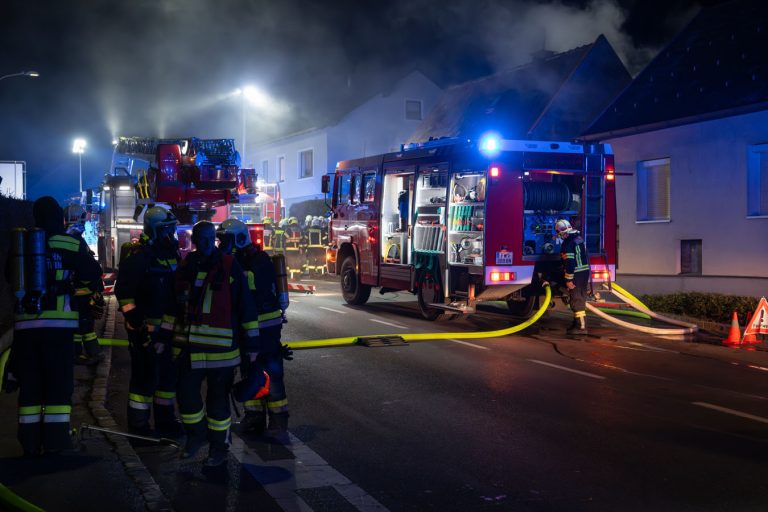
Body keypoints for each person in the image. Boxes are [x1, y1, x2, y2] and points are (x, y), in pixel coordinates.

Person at [7, 196, 102, 456]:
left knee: (31, 387)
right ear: (59, 218)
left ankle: (29, 442)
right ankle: (56, 443)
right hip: (58, 328)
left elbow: (9, 276)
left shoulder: (23, 244)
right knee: (58, 385)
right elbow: (93, 273)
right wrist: (70, 285)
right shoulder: (70, 243)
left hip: (26, 329)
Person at [173, 221, 260, 466]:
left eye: (209, 238)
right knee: (187, 398)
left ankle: (218, 448)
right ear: (194, 241)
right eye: (200, 239)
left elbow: (246, 308)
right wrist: (166, 341)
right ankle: (196, 436)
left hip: (222, 353)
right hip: (192, 350)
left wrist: (252, 349)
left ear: (215, 239)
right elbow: (176, 306)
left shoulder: (231, 267)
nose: (205, 243)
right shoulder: (187, 266)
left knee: (217, 404)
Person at [216, 219, 292, 442]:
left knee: (272, 373)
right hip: (246, 327)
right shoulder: (235, 260)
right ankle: (254, 417)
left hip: (266, 328)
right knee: (249, 372)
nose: (223, 244)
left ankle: (278, 423)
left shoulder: (260, 261)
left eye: (227, 240)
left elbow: (248, 285)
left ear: (239, 238)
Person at [114, 206, 181, 437]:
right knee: (144, 381)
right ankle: (139, 429)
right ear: (153, 230)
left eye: (171, 229)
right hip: (145, 333)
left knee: (167, 380)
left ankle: (166, 423)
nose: (170, 234)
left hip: (167, 331)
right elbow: (123, 293)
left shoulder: (171, 254)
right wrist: (138, 325)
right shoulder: (139, 255)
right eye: (166, 230)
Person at [64, 203, 104, 364]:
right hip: (80, 294)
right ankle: (79, 354)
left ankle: (84, 353)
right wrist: (94, 287)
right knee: (83, 326)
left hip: (79, 293)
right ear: (77, 221)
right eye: (83, 222)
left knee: (84, 326)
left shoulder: (72, 239)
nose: (85, 225)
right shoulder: (74, 241)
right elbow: (88, 268)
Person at [556, 219, 590, 335]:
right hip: (584, 271)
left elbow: (570, 264)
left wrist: (569, 279)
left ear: (561, 232)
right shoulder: (578, 238)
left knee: (577, 299)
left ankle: (581, 327)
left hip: (576, 273)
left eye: (559, 233)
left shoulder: (567, 243)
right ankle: (576, 324)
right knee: (578, 297)